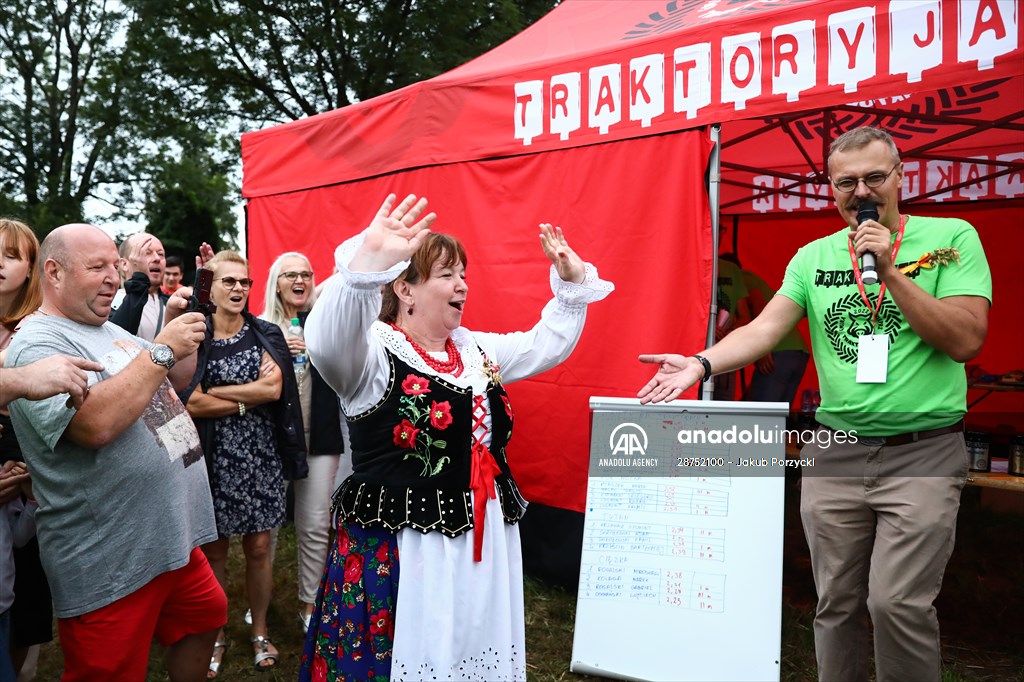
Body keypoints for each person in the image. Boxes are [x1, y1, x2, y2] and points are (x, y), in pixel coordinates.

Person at [638, 126, 991, 682]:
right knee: (836, 603)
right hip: (836, 449)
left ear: (901, 178)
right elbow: (764, 329)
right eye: (846, 181)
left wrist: (891, 272)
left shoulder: (953, 237)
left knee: (896, 603)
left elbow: (966, 339)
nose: (862, 190)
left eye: (875, 177)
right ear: (831, 189)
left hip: (921, 450)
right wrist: (701, 363)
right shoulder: (813, 257)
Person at [298, 193, 612, 681]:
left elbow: (543, 345)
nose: (462, 285)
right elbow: (327, 338)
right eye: (447, 275)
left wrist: (570, 287)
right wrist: (366, 265)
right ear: (404, 289)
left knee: (470, 646)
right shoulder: (371, 356)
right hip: (406, 545)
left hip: (482, 536)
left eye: (462, 274)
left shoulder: (473, 349)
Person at [5, 223, 226, 681]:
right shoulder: (37, 343)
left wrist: (187, 323)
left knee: (204, 619)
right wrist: (161, 351)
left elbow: (176, 379)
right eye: (97, 267)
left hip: (170, 537)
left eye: (115, 265)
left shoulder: (108, 331)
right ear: (55, 272)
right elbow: (95, 425)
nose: (114, 277)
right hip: (111, 555)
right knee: (109, 671)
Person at [179, 250, 307, 676]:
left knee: (258, 548)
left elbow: (275, 391)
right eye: (228, 281)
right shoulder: (197, 337)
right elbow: (190, 401)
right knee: (214, 552)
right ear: (211, 288)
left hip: (261, 457)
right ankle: (214, 633)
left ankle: (260, 631)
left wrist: (225, 395)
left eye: (244, 282)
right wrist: (245, 395)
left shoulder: (266, 333)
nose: (238, 289)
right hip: (213, 458)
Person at [0, 218, 105, 681]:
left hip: (33, 493)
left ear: (35, 268)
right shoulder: (31, 347)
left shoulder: (44, 329)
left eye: (8, 254)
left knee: (25, 609)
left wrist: (31, 475)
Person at [260, 252, 347, 633]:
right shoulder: (260, 327)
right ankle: (259, 604)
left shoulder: (324, 322)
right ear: (276, 283)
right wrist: (280, 353)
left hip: (320, 437)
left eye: (306, 274)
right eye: (290, 274)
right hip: (273, 440)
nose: (300, 280)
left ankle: (310, 605)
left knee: (314, 524)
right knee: (266, 530)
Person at [719, 254, 811, 405]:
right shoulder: (752, 279)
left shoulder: (742, 278)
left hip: (777, 350)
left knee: (761, 414)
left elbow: (760, 308)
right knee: (779, 413)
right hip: (797, 352)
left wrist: (762, 351)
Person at [110, 232, 169, 340]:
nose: (157, 258)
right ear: (124, 264)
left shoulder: (173, 303)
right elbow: (116, 342)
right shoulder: (110, 302)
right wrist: (139, 281)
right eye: (146, 253)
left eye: (161, 254)